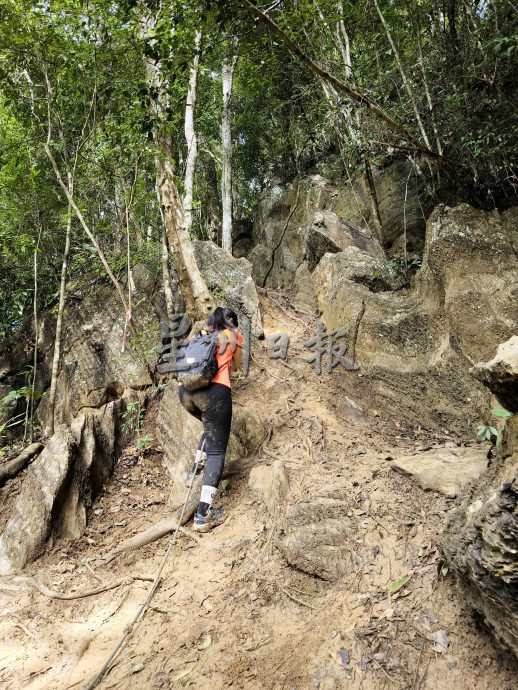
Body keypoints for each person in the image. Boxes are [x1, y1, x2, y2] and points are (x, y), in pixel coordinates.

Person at [177, 306, 243, 532]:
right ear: (231, 321)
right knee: (217, 451)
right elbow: (237, 366)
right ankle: (203, 515)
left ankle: (193, 472)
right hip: (215, 393)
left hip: (186, 395)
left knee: (210, 427)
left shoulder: (200, 336)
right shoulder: (233, 335)